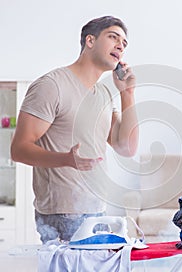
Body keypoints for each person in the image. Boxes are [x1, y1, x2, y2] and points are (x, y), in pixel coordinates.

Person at [10, 16, 138, 243]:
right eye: (113, 37)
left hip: (97, 207)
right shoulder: (52, 85)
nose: (120, 45)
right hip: (62, 212)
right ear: (90, 41)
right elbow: (19, 149)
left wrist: (127, 93)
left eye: (124, 43)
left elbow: (126, 147)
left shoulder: (105, 94)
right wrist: (66, 160)